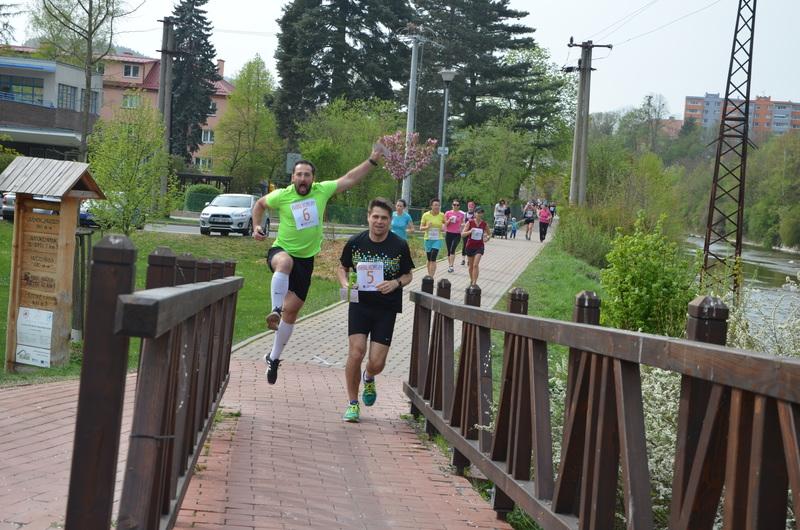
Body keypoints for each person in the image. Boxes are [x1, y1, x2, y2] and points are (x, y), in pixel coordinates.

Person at [251, 143, 385, 384]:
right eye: (299, 174)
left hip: (307, 260)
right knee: (284, 264)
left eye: (307, 175)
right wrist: (256, 227)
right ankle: (274, 309)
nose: (303, 178)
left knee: (292, 313)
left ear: (313, 178)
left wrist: (372, 160)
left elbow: (350, 178)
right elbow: (260, 205)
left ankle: (273, 357)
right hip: (282, 251)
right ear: (292, 177)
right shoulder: (282, 195)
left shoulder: (321, 191)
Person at [337, 198, 414, 422]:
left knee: (377, 362)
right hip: (360, 304)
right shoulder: (355, 242)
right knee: (356, 352)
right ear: (368, 217)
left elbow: (408, 274)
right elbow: (342, 267)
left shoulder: (399, 245)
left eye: (384, 218)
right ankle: (352, 403)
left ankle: (369, 377)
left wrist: (395, 283)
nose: (379, 222)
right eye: (376, 217)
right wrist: (344, 283)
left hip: (386, 308)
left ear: (391, 221)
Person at [462, 206, 490, 286]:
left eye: (481, 213)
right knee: (471, 266)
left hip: (479, 246)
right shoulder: (470, 222)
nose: (480, 214)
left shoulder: (484, 224)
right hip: (470, 246)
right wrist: (470, 231)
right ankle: (472, 280)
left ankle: (474, 282)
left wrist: (487, 238)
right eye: (478, 213)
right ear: (474, 213)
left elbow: (489, 234)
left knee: (475, 265)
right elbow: (462, 234)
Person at [419, 198, 445, 277]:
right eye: (435, 205)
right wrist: (427, 226)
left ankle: (431, 277)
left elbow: (445, 224)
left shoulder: (442, 215)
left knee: (433, 258)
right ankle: (429, 274)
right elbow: (421, 228)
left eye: (438, 205)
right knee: (429, 259)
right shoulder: (426, 215)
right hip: (428, 239)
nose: (437, 207)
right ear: (431, 206)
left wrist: (444, 226)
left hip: (437, 239)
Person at [443, 199, 465, 273]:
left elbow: (463, 224)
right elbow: (445, 224)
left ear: (459, 206)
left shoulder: (461, 214)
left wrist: (462, 226)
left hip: (457, 234)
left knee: (453, 249)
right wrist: (449, 220)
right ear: (452, 205)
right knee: (449, 250)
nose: (456, 206)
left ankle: (451, 266)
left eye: (457, 205)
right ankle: (450, 265)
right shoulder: (448, 213)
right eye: (454, 204)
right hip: (449, 233)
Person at [461, 200, 476, 266]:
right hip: (466, 232)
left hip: (472, 233)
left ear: (474, 207)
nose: (470, 207)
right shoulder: (465, 214)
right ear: (467, 206)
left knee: (470, 246)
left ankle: (469, 260)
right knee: (464, 245)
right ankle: (463, 259)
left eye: (472, 206)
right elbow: (462, 223)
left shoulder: (475, 214)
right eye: (469, 206)